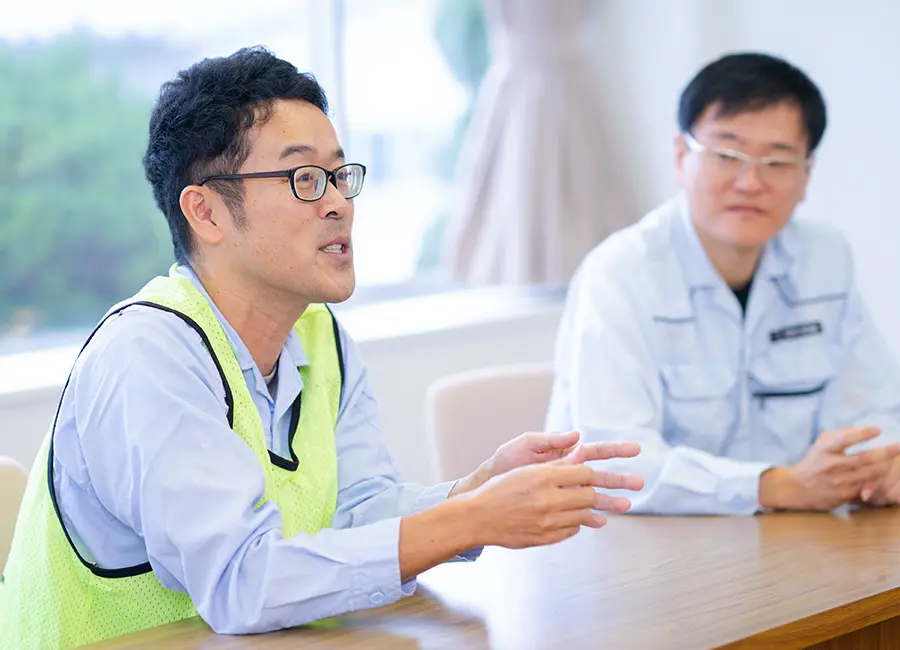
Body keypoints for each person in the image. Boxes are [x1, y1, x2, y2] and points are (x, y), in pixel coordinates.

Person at [0, 47, 644, 649]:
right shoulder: (148, 354)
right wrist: (471, 521)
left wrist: (473, 493)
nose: (338, 203)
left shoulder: (320, 336)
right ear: (206, 213)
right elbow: (240, 583)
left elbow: (358, 514)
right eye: (305, 177)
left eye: (339, 175)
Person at [545, 52, 900, 516]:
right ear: (682, 157)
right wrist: (774, 486)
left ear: (806, 175)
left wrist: (879, 465)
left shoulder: (825, 260)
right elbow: (617, 463)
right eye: (727, 155)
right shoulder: (620, 274)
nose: (750, 182)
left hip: (794, 535)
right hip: (634, 541)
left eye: (777, 161)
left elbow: (874, 413)